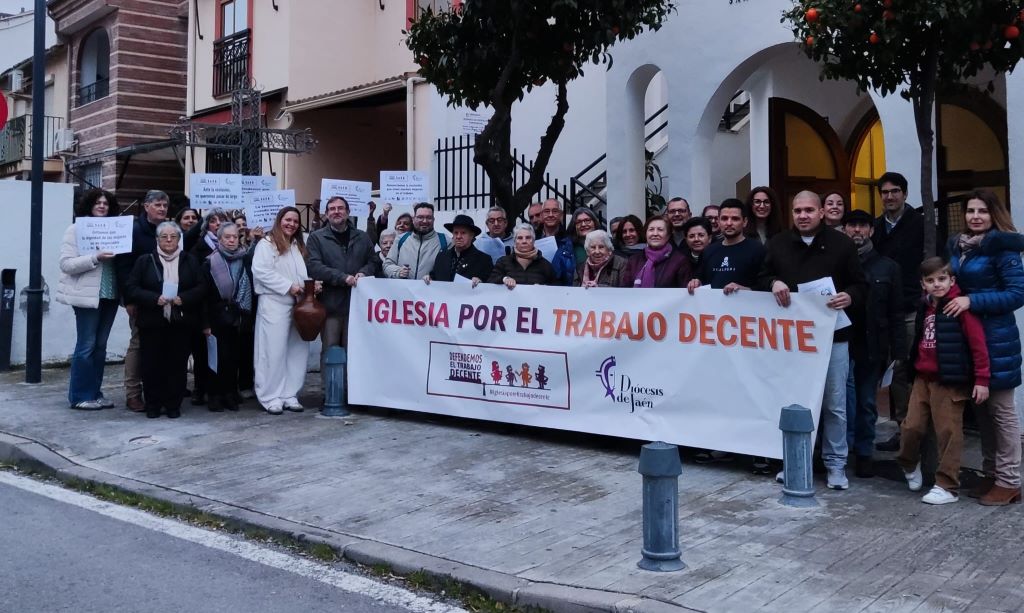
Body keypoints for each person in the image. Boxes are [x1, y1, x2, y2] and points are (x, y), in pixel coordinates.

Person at [758, 190, 866, 490]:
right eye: (797, 210)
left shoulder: (842, 244)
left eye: (808, 210)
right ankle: (794, 460)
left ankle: (835, 465)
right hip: (792, 340)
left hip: (835, 338)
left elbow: (860, 284)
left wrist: (850, 296)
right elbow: (760, 277)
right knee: (793, 402)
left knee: (835, 404)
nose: (802, 215)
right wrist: (773, 282)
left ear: (821, 213)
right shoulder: (778, 244)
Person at [946, 189, 1024, 505]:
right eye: (970, 211)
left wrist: (971, 301)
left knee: (1002, 413)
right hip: (970, 339)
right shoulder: (960, 246)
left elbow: (1017, 294)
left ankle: (1010, 480)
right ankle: (992, 474)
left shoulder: (1003, 248)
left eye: (982, 211)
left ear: (994, 215)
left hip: (997, 339)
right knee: (983, 414)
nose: (975, 216)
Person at [897, 257, 990, 505]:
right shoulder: (924, 307)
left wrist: (981, 379)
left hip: (950, 380)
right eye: (930, 280)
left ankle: (947, 485)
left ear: (952, 280)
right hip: (922, 377)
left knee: (948, 432)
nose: (937, 284)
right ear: (922, 284)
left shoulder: (959, 308)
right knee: (911, 426)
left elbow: (978, 345)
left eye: (941, 279)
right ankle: (908, 462)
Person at [843, 210, 905, 478]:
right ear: (845, 229)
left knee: (867, 402)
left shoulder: (888, 267)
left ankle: (865, 452)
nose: (857, 230)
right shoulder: (837, 264)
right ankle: (841, 451)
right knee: (842, 401)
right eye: (852, 226)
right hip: (841, 342)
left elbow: (896, 312)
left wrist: (898, 350)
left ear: (870, 230)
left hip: (872, 345)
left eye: (862, 226)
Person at [126, 221, 206, 419]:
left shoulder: (190, 260)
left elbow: (202, 287)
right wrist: (154, 299)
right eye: (164, 236)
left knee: (177, 365)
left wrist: (183, 299)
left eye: (173, 236)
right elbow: (132, 288)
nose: (169, 240)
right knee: (151, 364)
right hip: (152, 321)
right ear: (157, 239)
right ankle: (153, 404)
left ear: (179, 239)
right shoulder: (144, 261)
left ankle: (173, 404)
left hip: (180, 321)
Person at [872, 172, 925, 452]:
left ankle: (912, 430)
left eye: (894, 191)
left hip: (910, 308)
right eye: (885, 192)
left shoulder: (921, 224)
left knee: (906, 369)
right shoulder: (876, 227)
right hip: (883, 311)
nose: (889, 197)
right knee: (891, 372)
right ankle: (902, 427)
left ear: (904, 194)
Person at [57, 189, 122, 410]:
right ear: (89, 205)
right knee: (86, 345)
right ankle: (80, 396)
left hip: (110, 294)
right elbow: (66, 264)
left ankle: (95, 393)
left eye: (106, 203)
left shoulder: (116, 230)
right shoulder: (75, 229)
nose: (102, 206)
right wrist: (95, 257)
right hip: (86, 297)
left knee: (101, 346)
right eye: (98, 202)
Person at [307, 196, 378, 390]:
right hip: (330, 305)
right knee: (330, 350)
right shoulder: (317, 237)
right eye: (331, 209)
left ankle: (350, 392)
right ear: (327, 213)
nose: (336, 212)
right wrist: (342, 277)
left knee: (354, 351)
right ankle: (329, 392)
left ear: (347, 212)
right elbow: (314, 266)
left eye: (340, 208)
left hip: (357, 306)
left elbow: (374, 261)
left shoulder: (362, 237)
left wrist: (364, 272)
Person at [251, 207, 311, 415]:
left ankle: (289, 393)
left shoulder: (297, 245)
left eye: (295, 221)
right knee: (272, 351)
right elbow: (260, 271)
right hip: (274, 302)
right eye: (288, 220)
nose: (291, 224)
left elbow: (301, 272)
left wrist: (310, 285)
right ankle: (270, 396)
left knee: (297, 349)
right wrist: (288, 286)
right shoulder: (266, 244)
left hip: (298, 303)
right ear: (279, 221)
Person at [115, 189, 169, 412]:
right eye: (158, 205)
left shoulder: (169, 230)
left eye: (165, 205)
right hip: (141, 300)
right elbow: (124, 267)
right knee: (138, 344)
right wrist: (129, 300)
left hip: (166, 299)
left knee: (162, 345)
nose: (162, 209)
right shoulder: (133, 230)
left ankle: (158, 390)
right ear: (146, 206)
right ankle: (133, 393)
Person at [200, 223, 253, 412]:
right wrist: (205, 323)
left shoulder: (243, 259)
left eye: (235, 237)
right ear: (219, 239)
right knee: (216, 357)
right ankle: (215, 395)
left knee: (233, 357)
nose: (232, 241)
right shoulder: (210, 262)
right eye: (227, 237)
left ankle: (230, 393)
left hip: (236, 314)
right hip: (215, 315)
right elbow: (203, 296)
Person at [187, 208, 231, 405]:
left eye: (222, 220)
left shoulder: (234, 247)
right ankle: (200, 388)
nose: (218, 224)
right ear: (207, 226)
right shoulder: (198, 248)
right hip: (204, 306)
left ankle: (222, 390)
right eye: (213, 221)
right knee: (201, 350)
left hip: (225, 311)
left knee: (224, 353)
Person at [688, 200, 765, 294]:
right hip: (712, 307)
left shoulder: (757, 250)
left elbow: (765, 286)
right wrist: (696, 282)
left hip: (745, 307)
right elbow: (701, 281)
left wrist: (745, 290)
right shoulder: (708, 251)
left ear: (744, 222)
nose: (729, 223)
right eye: (724, 218)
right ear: (719, 221)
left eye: (735, 219)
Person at [620, 216, 691, 289]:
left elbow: (684, 291)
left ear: (668, 235)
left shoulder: (680, 260)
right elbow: (625, 289)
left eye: (660, 230)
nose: (655, 234)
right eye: (651, 230)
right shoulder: (634, 260)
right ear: (646, 234)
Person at [383, 203, 447, 280]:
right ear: (413, 219)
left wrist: (434, 277)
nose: (424, 221)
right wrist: (398, 272)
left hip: (432, 291)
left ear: (433, 219)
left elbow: (451, 271)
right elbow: (387, 265)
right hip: (403, 291)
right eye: (420, 217)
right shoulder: (400, 239)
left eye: (429, 217)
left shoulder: (445, 241)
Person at [426, 214, 493, 285]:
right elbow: (434, 277)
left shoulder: (483, 260)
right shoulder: (442, 257)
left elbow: (490, 285)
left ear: (472, 235)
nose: (458, 236)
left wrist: (480, 281)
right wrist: (428, 278)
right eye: (456, 233)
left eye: (463, 233)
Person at [488, 224, 557, 288]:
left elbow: (556, 288)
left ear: (533, 240)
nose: (524, 241)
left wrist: (544, 288)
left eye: (528, 237)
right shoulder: (503, 262)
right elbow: (490, 281)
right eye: (520, 238)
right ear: (515, 241)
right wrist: (504, 279)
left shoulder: (545, 265)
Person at [536, 198, 575, 286]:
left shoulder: (569, 241)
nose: (550, 215)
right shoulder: (532, 239)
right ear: (541, 215)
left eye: (555, 211)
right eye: (546, 211)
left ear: (561, 215)